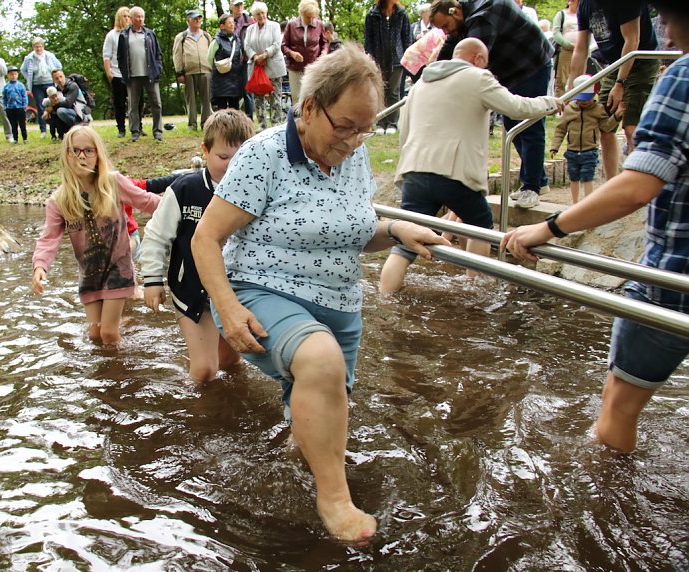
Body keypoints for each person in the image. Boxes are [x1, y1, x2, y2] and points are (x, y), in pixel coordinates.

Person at [191, 44, 448, 542]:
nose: (354, 140)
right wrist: (227, 306)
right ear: (309, 108)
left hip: (340, 306)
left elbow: (350, 230)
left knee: (314, 429)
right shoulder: (263, 155)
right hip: (261, 291)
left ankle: (289, 515)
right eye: (345, 126)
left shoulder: (353, 154)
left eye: (365, 128)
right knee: (322, 362)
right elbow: (206, 237)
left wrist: (393, 231)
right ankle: (334, 501)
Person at [501, 0, 688, 454]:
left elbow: (637, 187)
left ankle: (601, 502)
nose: (660, 23)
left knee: (617, 409)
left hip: (672, 277)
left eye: (668, 12)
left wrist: (548, 230)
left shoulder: (681, 79)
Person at [379, 38, 562, 293]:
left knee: (404, 244)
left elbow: (404, 130)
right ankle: (474, 290)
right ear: (478, 59)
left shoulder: (421, 84)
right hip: (456, 172)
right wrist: (549, 102)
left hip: (415, 171)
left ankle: (385, 297)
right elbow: (516, 106)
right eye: (486, 63)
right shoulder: (477, 77)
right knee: (481, 225)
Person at [139, 110, 255, 381]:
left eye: (240, 159)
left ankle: (227, 414)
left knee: (231, 362)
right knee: (205, 370)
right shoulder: (184, 189)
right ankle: (197, 417)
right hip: (191, 289)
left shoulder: (256, 190)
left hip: (235, 291)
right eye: (223, 158)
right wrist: (152, 280)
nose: (231, 167)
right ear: (205, 151)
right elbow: (156, 235)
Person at [31, 125, 162, 345]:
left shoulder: (112, 182)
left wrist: (179, 206)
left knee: (108, 334)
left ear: (97, 155)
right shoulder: (59, 200)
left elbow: (146, 201)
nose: (82, 156)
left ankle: (122, 375)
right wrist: (40, 266)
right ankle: (116, 351)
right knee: (95, 335)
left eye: (88, 151)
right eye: (76, 151)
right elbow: (49, 238)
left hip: (117, 269)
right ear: (67, 155)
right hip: (89, 274)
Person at [431, 0, 555, 210]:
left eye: (445, 26)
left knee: (529, 125)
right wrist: (430, 75)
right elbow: (451, 48)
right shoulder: (462, 20)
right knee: (512, 125)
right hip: (510, 70)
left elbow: (469, 64)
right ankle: (540, 180)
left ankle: (532, 187)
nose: (446, 32)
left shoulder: (484, 17)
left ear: (457, 11)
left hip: (532, 63)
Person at [568, 0, 659, 181]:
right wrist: (572, 89)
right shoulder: (585, 5)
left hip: (642, 61)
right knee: (604, 125)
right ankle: (612, 183)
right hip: (614, 65)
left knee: (631, 128)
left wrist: (620, 84)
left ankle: (638, 183)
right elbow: (580, 49)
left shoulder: (624, 3)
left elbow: (632, 40)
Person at [550, 74, 621, 203]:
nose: (584, 102)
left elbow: (605, 126)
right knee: (574, 177)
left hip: (589, 150)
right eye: (581, 98)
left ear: (595, 94)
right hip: (572, 150)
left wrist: (616, 117)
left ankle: (587, 202)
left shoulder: (598, 109)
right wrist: (555, 147)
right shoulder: (569, 110)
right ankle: (575, 202)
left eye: (587, 98)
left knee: (587, 177)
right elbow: (561, 129)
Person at [364, 0, 413, 135]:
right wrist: (370, 59)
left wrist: (407, 57)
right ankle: (381, 122)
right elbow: (368, 39)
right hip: (378, 59)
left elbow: (407, 37)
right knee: (380, 90)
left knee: (393, 91)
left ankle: (392, 123)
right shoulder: (372, 14)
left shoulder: (401, 14)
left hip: (397, 59)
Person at [117, 7, 165, 142]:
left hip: (151, 74)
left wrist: (158, 67)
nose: (140, 19)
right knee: (133, 105)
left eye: (142, 16)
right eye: (137, 16)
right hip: (132, 76)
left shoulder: (150, 34)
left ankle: (158, 132)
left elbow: (157, 54)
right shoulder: (124, 35)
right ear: (131, 18)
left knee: (156, 103)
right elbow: (120, 57)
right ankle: (135, 132)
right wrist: (124, 72)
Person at [244, 2, 286, 129]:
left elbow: (277, 43)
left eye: (262, 13)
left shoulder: (274, 26)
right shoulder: (250, 29)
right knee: (258, 98)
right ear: (254, 16)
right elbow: (246, 45)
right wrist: (255, 56)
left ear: (266, 13)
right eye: (258, 14)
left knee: (275, 98)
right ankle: (262, 125)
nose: (261, 16)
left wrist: (265, 54)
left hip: (273, 65)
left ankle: (276, 124)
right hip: (257, 67)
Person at [173, 9, 213, 131]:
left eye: (199, 18)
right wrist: (179, 72)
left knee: (206, 100)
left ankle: (206, 124)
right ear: (188, 20)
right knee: (191, 100)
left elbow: (211, 53)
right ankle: (192, 124)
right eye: (195, 19)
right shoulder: (182, 37)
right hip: (189, 72)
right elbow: (177, 55)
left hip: (205, 71)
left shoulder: (206, 35)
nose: (198, 21)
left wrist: (212, 69)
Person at [281, 0, 327, 105]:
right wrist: (292, 53)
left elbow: (324, 43)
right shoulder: (291, 25)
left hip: (314, 67)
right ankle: (298, 120)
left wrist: (324, 53)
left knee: (312, 97)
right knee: (297, 98)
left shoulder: (319, 25)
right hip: (295, 68)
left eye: (313, 17)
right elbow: (283, 46)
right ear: (301, 14)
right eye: (308, 17)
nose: (311, 19)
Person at [20, 37, 63, 139]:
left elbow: (59, 66)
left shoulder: (49, 56)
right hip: (37, 85)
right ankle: (43, 130)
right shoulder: (29, 58)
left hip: (49, 82)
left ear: (43, 46)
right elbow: (23, 70)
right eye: (36, 47)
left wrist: (55, 76)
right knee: (40, 106)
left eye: (40, 47)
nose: (38, 49)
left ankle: (56, 128)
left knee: (54, 104)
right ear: (33, 47)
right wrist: (29, 78)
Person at [103, 6, 132, 137]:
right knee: (119, 103)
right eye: (124, 16)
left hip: (133, 73)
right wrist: (109, 72)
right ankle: (121, 128)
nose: (127, 19)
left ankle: (136, 126)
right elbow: (106, 55)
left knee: (135, 102)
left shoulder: (133, 33)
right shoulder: (111, 35)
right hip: (117, 73)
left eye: (128, 16)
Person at [208, 14, 245, 111]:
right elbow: (209, 58)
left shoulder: (237, 40)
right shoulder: (216, 41)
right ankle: (222, 127)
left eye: (233, 22)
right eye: (229, 23)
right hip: (220, 80)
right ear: (222, 26)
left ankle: (235, 126)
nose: (232, 25)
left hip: (235, 80)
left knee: (235, 109)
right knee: (222, 110)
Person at [43, 69, 91, 139]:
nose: (59, 80)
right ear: (53, 80)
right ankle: (63, 133)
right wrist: (47, 111)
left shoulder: (73, 86)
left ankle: (79, 128)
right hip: (69, 111)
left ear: (64, 76)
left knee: (60, 111)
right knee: (48, 116)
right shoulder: (57, 89)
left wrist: (52, 108)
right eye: (56, 78)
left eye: (61, 77)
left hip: (80, 112)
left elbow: (68, 103)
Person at [231, 0, 255, 120]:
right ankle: (235, 120)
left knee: (248, 92)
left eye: (241, 4)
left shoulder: (250, 21)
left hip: (247, 61)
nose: (239, 7)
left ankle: (249, 119)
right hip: (233, 63)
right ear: (231, 6)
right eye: (236, 5)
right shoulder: (227, 21)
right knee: (234, 92)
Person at [552, 0, 581, 99]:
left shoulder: (583, 14)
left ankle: (575, 103)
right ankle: (559, 105)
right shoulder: (561, 14)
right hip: (565, 50)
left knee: (578, 78)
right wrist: (568, 44)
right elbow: (556, 33)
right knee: (561, 80)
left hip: (581, 51)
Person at [2, 66, 28, 144]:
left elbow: (24, 96)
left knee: (22, 125)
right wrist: (5, 106)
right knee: (13, 125)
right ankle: (15, 139)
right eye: (11, 74)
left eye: (15, 74)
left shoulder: (21, 85)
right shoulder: (6, 86)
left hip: (20, 108)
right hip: (10, 108)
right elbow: (4, 97)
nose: (13, 76)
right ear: (8, 75)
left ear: (17, 75)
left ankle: (25, 138)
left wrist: (25, 105)